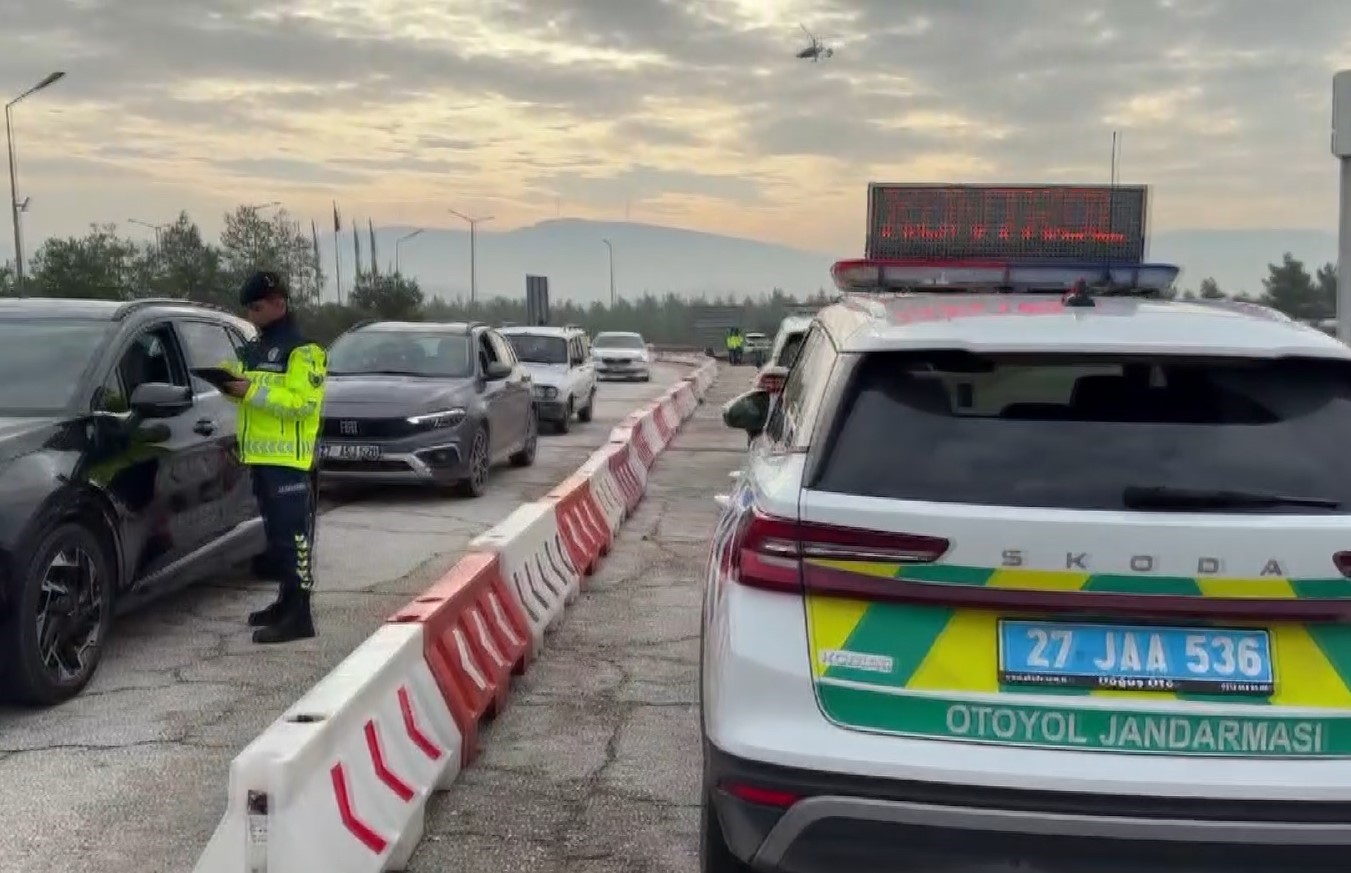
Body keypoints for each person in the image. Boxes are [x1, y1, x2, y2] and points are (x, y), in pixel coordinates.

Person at [220, 271, 328, 644]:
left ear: (279, 303)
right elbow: (252, 397)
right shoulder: (255, 347)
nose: (250, 314)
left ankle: (300, 615)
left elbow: (302, 405)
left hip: (290, 463)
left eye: (256, 307)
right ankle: (285, 602)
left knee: (295, 539)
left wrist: (250, 391)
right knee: (277, 539)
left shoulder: (304, 351)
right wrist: (228, 384)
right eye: (247, 308)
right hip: (261, 458)